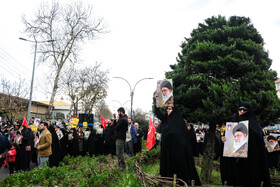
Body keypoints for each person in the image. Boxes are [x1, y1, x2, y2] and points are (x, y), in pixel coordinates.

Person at [220, 103, 271, 186]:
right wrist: (223, 139)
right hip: (235, 159)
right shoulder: (232, 123)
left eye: (244, 110)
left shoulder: (254, 124)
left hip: (251, 160)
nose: (242, 111)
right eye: (240, 109)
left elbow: (260, 139)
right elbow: (227, 140)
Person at [154, 103, 201, 186]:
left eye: (169, 109)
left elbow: (182, 137)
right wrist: (156, 103)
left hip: (177, 151)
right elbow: (158, 113)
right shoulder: (166, 120)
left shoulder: (180, 122)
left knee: (177, 168)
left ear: (174, 111)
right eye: (167, 109)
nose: (167, 110)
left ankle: (180, 180)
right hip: (167, 149)